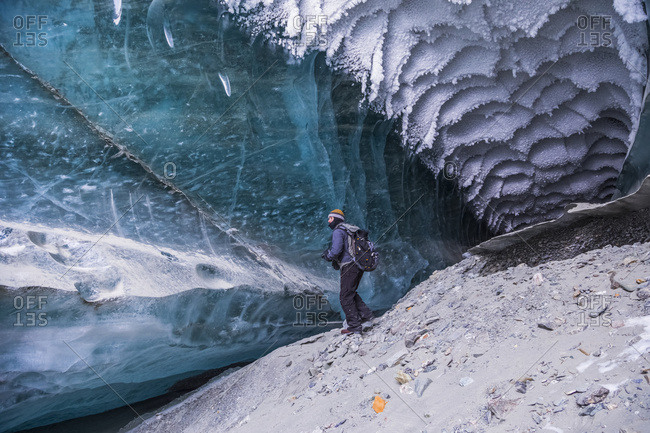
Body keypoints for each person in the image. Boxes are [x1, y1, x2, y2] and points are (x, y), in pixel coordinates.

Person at [321, 209, 374, 335]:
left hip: (349, 266)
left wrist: (327, 255)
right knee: (350, 292)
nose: (328, 221)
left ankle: (354, 326)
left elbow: (336, 250)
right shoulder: (351, 230)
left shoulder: (338, 231)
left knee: (344, 297)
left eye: (330, 218)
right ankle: (366, 315)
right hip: (358, 265)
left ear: (335, 218)